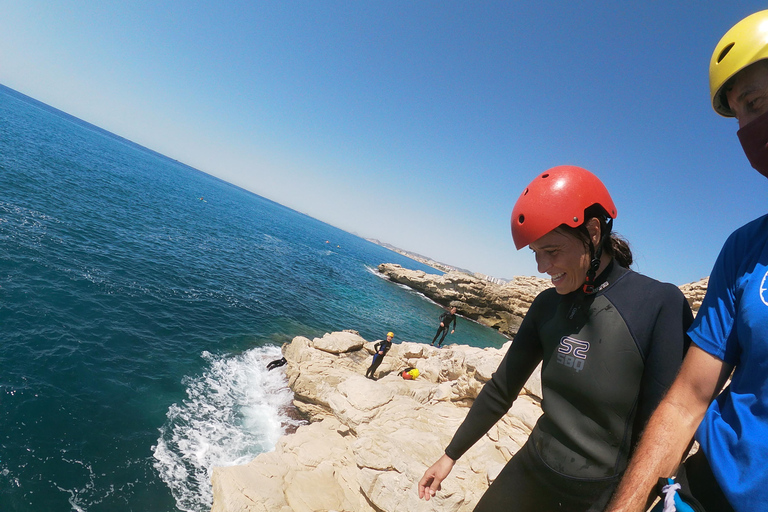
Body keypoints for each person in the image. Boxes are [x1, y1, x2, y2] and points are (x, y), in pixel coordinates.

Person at [417, 165, 693, 511]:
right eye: (535, 252)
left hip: (596, 494)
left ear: (593, 232)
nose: (541, 266)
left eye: (552, 251)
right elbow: (502, 388)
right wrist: (449, 455)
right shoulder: (547, 304)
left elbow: (665, 431)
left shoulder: (659, 305)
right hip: (533, 467)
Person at [605, 11, 768, 512]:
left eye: (758, 100)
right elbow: (687, 401)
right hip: (702, 492)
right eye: (744, 111)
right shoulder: (744, 250)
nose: (750, 124)